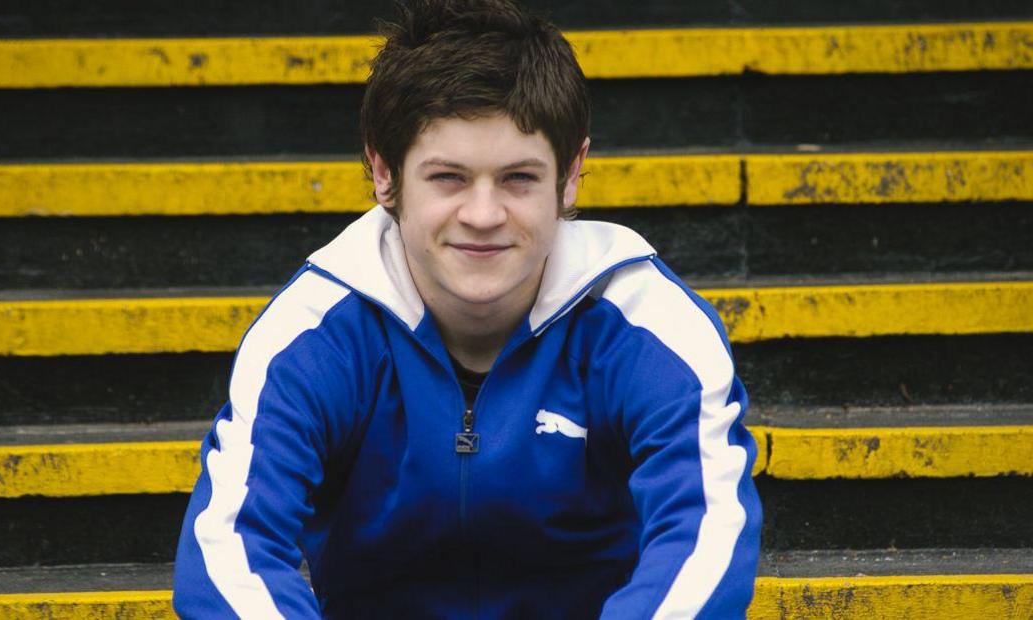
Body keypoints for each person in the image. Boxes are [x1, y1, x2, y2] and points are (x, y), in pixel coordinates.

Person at [172, 0, 762, 617]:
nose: (483, 216)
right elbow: (228, 553)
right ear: (383, 172)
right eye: (449, 177)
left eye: (518, 179)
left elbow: (705, 537)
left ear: (571, 176)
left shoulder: (647, 324)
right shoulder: (315, 331)